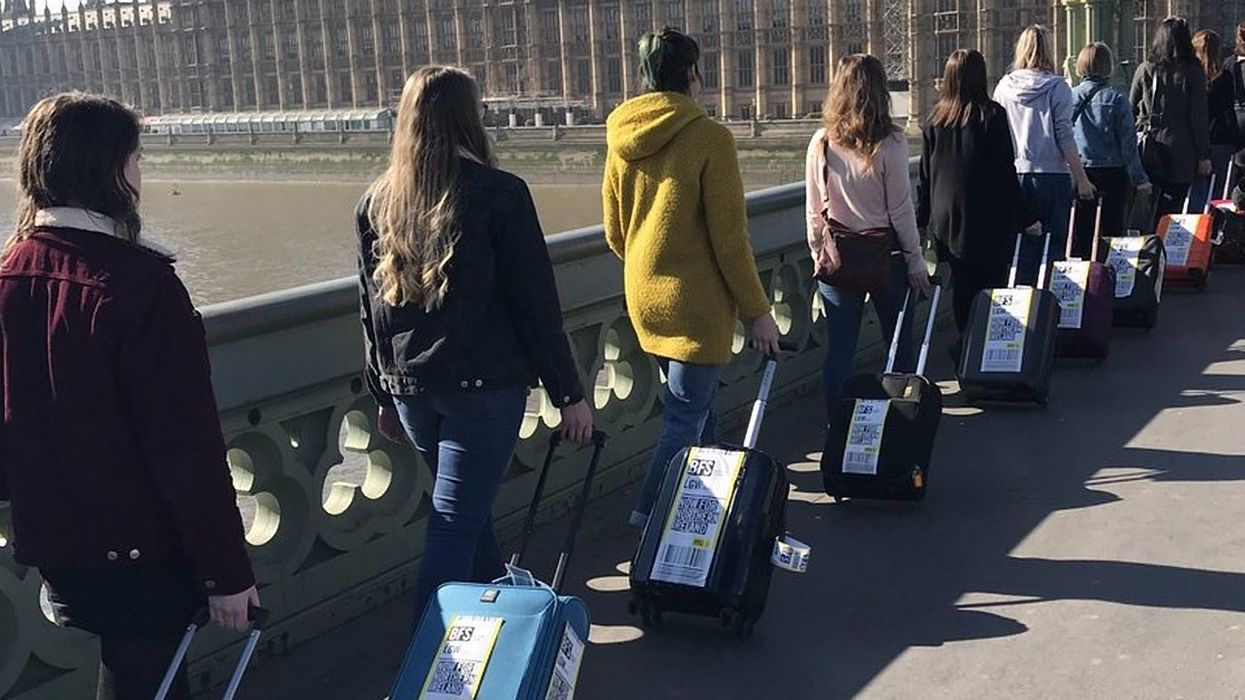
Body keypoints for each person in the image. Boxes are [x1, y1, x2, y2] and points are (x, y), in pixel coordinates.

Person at [0, 93, 258, 700]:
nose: (142, 175)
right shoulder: (141, 287)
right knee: (151, 676)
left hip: (56, 543)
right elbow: (186, 449)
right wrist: (226, 572)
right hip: (142, 547)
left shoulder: (8, 275)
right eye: (136, 159)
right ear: (111, 170)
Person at [357, 67, 594, 619]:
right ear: (470, 118)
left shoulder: (376, 201)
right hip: (484, 391)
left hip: (415, 392)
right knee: (453, 526)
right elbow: (535, 305)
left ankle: (499, 634)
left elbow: (370, 312)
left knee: (468, 517)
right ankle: (424, 666)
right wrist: (568, 392)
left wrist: (384, 393)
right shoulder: (500, 193)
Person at [603, 28, 780, 527]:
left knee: (699, 409)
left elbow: (616, 232)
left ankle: (711, 507)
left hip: (644, 296)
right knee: (683, 419)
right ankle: (652, 517)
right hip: (694, 306)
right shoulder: (710, 138)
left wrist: (648, 262)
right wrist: (758, 312)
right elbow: (730, 241)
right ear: (692, 74)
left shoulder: (621, 137)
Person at [806, 54, 931, 415]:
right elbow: (901, 210)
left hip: (839, 258)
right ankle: (901, 424)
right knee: (898, 347)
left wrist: (819, 252)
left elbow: (814, 211)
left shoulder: (822, 142)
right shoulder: (891, 142)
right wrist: (915, 260)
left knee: (840, 351)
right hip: (886, 256)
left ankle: (837, 427)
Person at [918, 49, 1040, 343]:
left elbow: (924, 177)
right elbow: (1004, 175)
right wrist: (1026, 219)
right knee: (991, 290)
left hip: (947, 222)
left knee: (962, 286)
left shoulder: (934, 120)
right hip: (987, 219)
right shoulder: (992, 115)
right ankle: (981, 355)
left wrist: (922, 222)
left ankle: (964, 343)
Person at [994, 25, 1096, 281]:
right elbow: (1065, 136)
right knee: (1052, 250)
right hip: (1052, 177)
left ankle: (1019, 309)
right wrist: (1082, 179)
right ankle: (1045, 309)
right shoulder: (1058, 86)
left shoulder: (1003, 87)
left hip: (1013, 175)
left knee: (1017, 250)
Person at [1070, 42, 1153, 255]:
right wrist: (1139, 179)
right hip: (1112, 172)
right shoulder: (1117, 99)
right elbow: (1128, 145)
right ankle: (1108, 275)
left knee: (1080, 230)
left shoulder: (1069, 96)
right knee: (1112, 230)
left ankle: (1082, 276)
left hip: (1080, 171)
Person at [1131, 16, 1212, 221]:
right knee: (1174, 207)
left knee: (1147, 207)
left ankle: (1149, 244)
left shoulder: (1145, 69)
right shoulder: (1193, 72)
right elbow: (1198, 117)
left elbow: (1131, 107)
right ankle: (1167, 246)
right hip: (1182, 148)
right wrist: (1204, 155)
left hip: (1150, 145)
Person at [1190, 30, 1239, 209]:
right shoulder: (1225, 77)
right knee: (1220, 192)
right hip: (1220, 139)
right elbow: (1228, 112)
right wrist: (1236, 141)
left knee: (1195, 191)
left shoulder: (1191, 78)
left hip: (1195, 141)